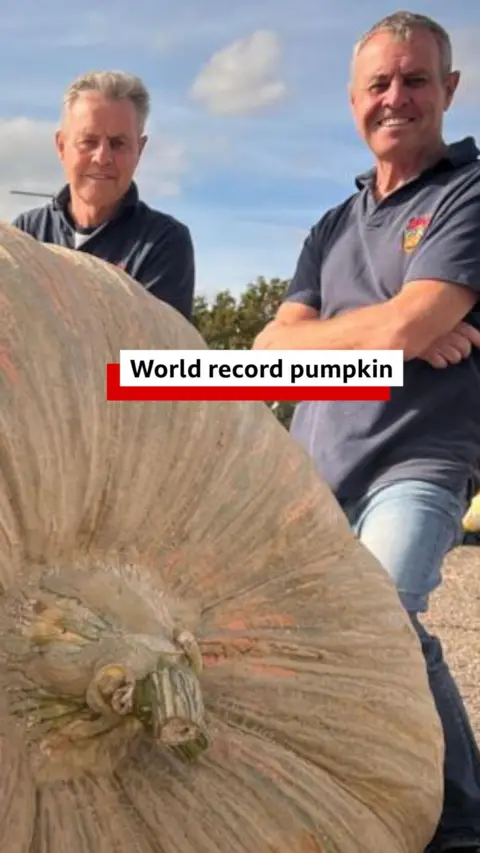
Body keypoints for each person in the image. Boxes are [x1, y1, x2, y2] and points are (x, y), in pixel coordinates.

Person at [253, 11, 480, 853]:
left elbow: (401, 329)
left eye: (415, 80)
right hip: (315, 465)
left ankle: (460, 823)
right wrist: (392, 331)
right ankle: (352, 797)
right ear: (353, 100)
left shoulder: (468, 194)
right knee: (316, 643)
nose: (396, 98)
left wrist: (387, 332)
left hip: (420, 456)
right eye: (378, 84)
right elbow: (267, 353)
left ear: (448, 89)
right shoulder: (331, 224)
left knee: (380, 617)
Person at [12, 71, 195, 321]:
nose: (102, 158)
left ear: (139, 150)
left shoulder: (164, 242)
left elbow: (153, 346)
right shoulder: (26, 233)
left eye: (118, 143)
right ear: (61, 146)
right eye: (88, 141)